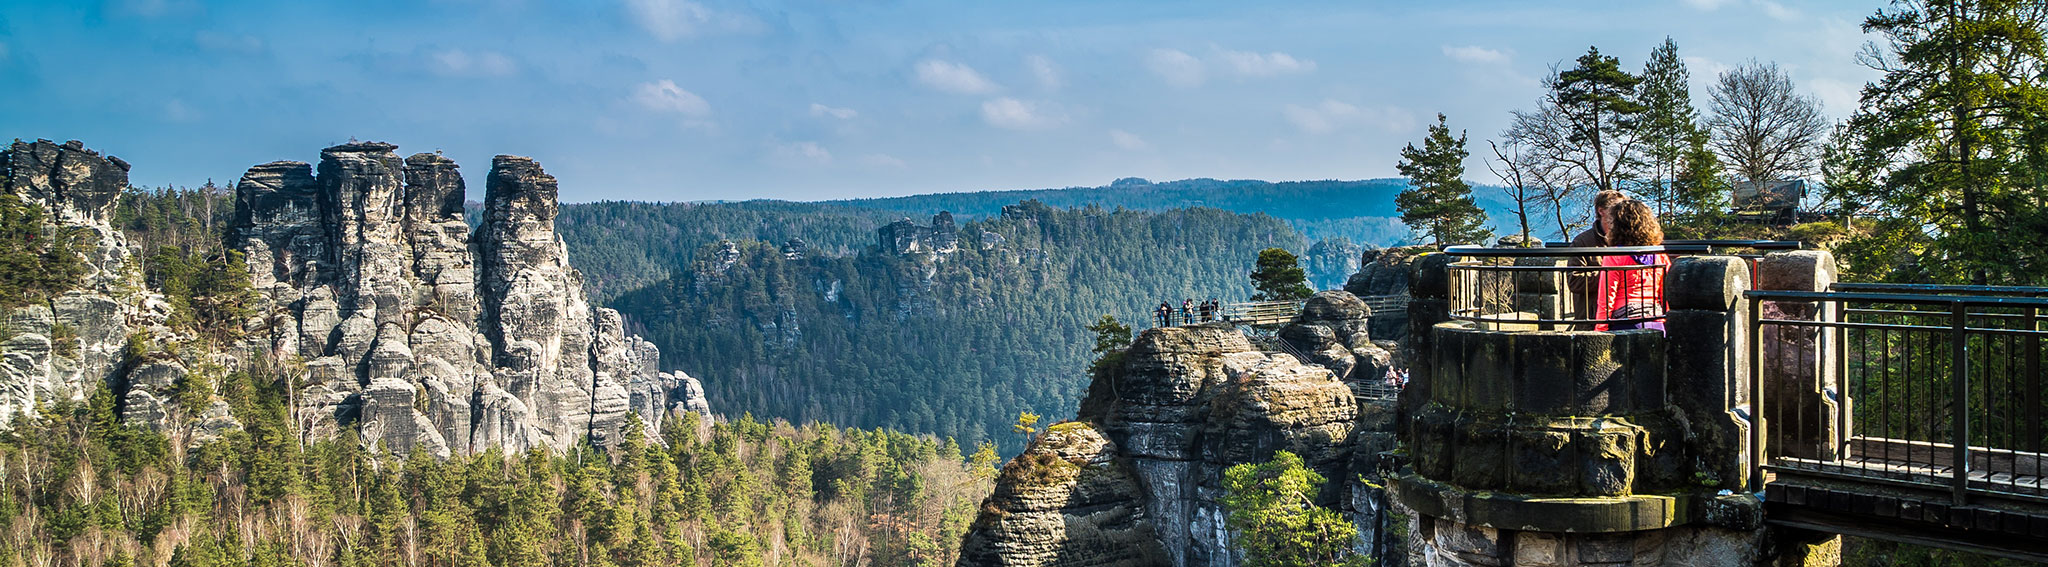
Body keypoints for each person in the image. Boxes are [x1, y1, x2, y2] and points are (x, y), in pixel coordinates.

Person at [1594, 200, 1669, 333]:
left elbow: (1606, 297)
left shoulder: (1614, 255)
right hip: (1655, 319)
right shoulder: (1659, 255)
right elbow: (1666, 292)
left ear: (1616, 226)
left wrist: (1601, 328)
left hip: (1625, 321)